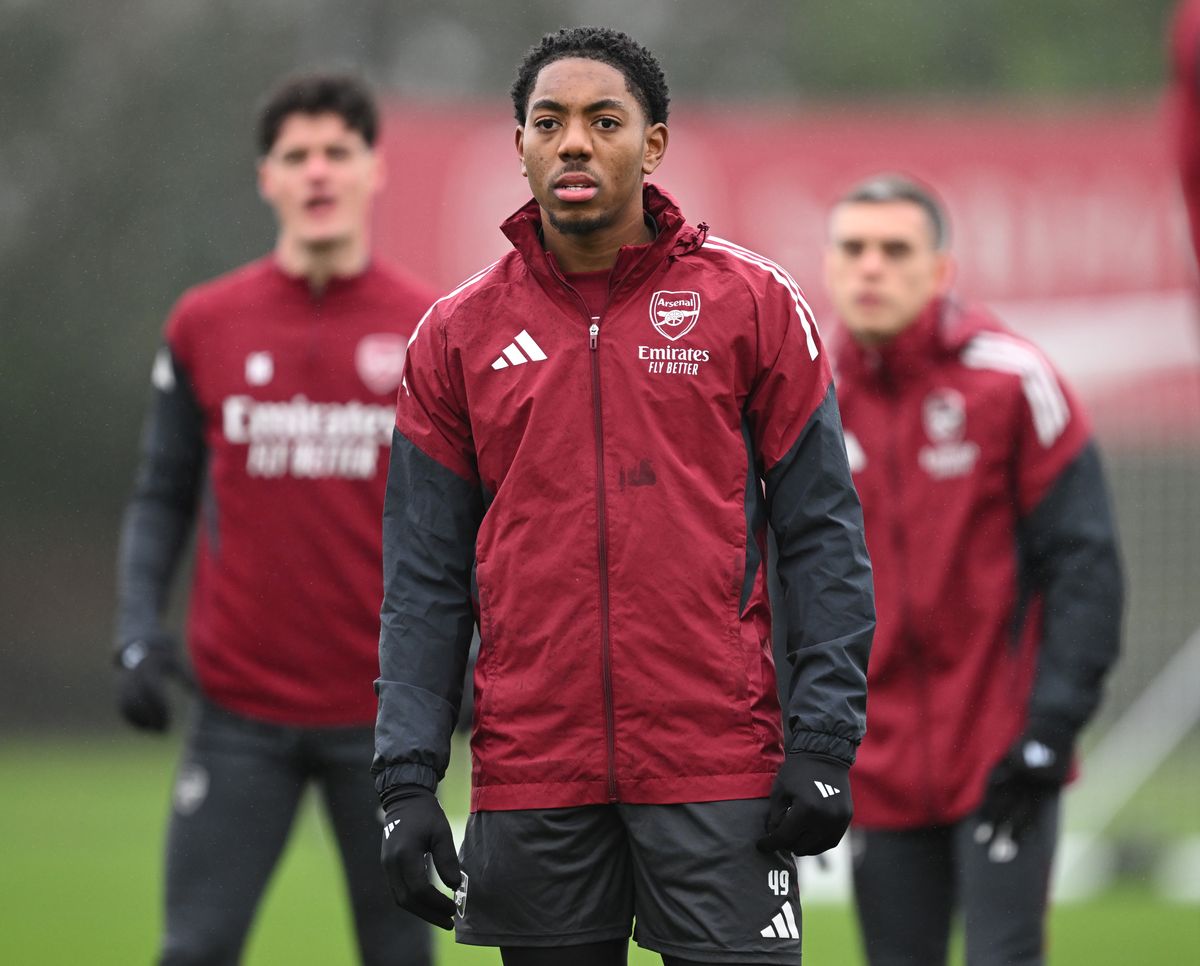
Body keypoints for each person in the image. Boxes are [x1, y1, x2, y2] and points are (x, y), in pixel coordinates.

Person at [372, 25, 875, 966]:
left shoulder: (754, 303)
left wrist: (823, 741)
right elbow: (424, 580)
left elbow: (822, 536)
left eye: (604, 121)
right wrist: (406, 779)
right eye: (549, 122)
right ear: (519, 145)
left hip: (719, 767)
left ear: (653, 145)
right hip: (534, 777)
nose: (574, 142)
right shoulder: (454, 334)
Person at [113, 73, 438, 965]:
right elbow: (161, 493)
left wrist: (474, 662)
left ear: (374, 168)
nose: (317, 171)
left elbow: (479, 520)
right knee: (194, 949)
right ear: (267, 177)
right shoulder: (205, 322)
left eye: (337, 151)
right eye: (296, 156)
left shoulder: (431, 328)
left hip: (385, 723)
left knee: (400, 956)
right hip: (238, 712)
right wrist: (137, 629)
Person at [823, 174, 1123, 966]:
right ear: (830, 265)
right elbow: (771, 582)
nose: (871, 267)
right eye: (854, 249)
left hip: (1001, 751)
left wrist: (1049, 730)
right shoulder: (806, 398)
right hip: (875, 764)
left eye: (895, 250)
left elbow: (1086, 567)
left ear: (941, 270)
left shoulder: (1012, 381)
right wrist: (804, 741)